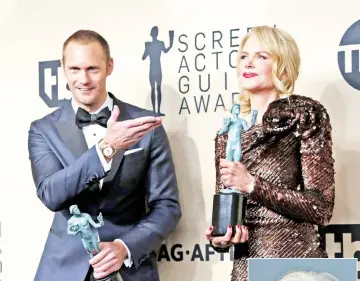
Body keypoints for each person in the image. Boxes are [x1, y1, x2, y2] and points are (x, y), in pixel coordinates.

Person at [28, 30, 181, 281]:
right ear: (63, 68)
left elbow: (167, 206)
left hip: (129, 269)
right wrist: (105, 149)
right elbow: (51, 193)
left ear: (109, 66)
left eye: (92, 69)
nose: (84, 79)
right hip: (63, 270)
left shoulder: (144, 126)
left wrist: (125, 247)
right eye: (75, 69)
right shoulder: (43, 130)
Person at [205, 26, 335, 281]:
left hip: (297, 268)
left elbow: (321, 208)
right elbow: (228, 209)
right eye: (244, 56)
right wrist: (221, 238)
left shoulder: (303, 116)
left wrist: (252, 184)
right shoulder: (228, 133)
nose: (249, 63)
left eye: (261, 56)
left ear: (283, 67)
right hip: (246, 270)